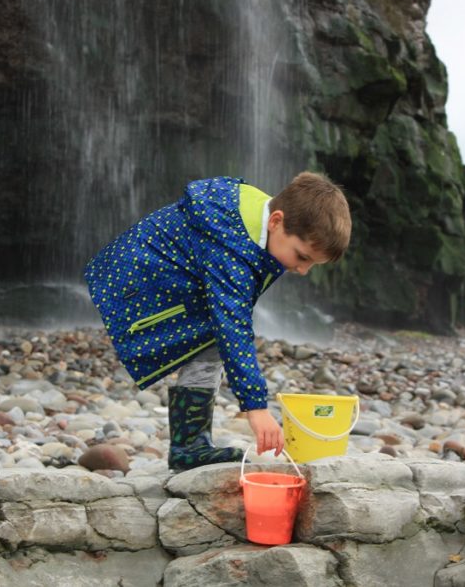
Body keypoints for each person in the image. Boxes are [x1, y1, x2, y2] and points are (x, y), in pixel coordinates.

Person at [84, 173, 351, 471]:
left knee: (212, 337)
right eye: (302, 257)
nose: (303, 270)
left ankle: (190, 446)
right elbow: (234, 327)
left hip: (148, 274)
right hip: (133, 282)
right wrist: (256, 407)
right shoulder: (231, 246)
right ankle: (189, 445)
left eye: (312, 264)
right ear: (276, 221)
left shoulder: (255, 215)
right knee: (220, 330)